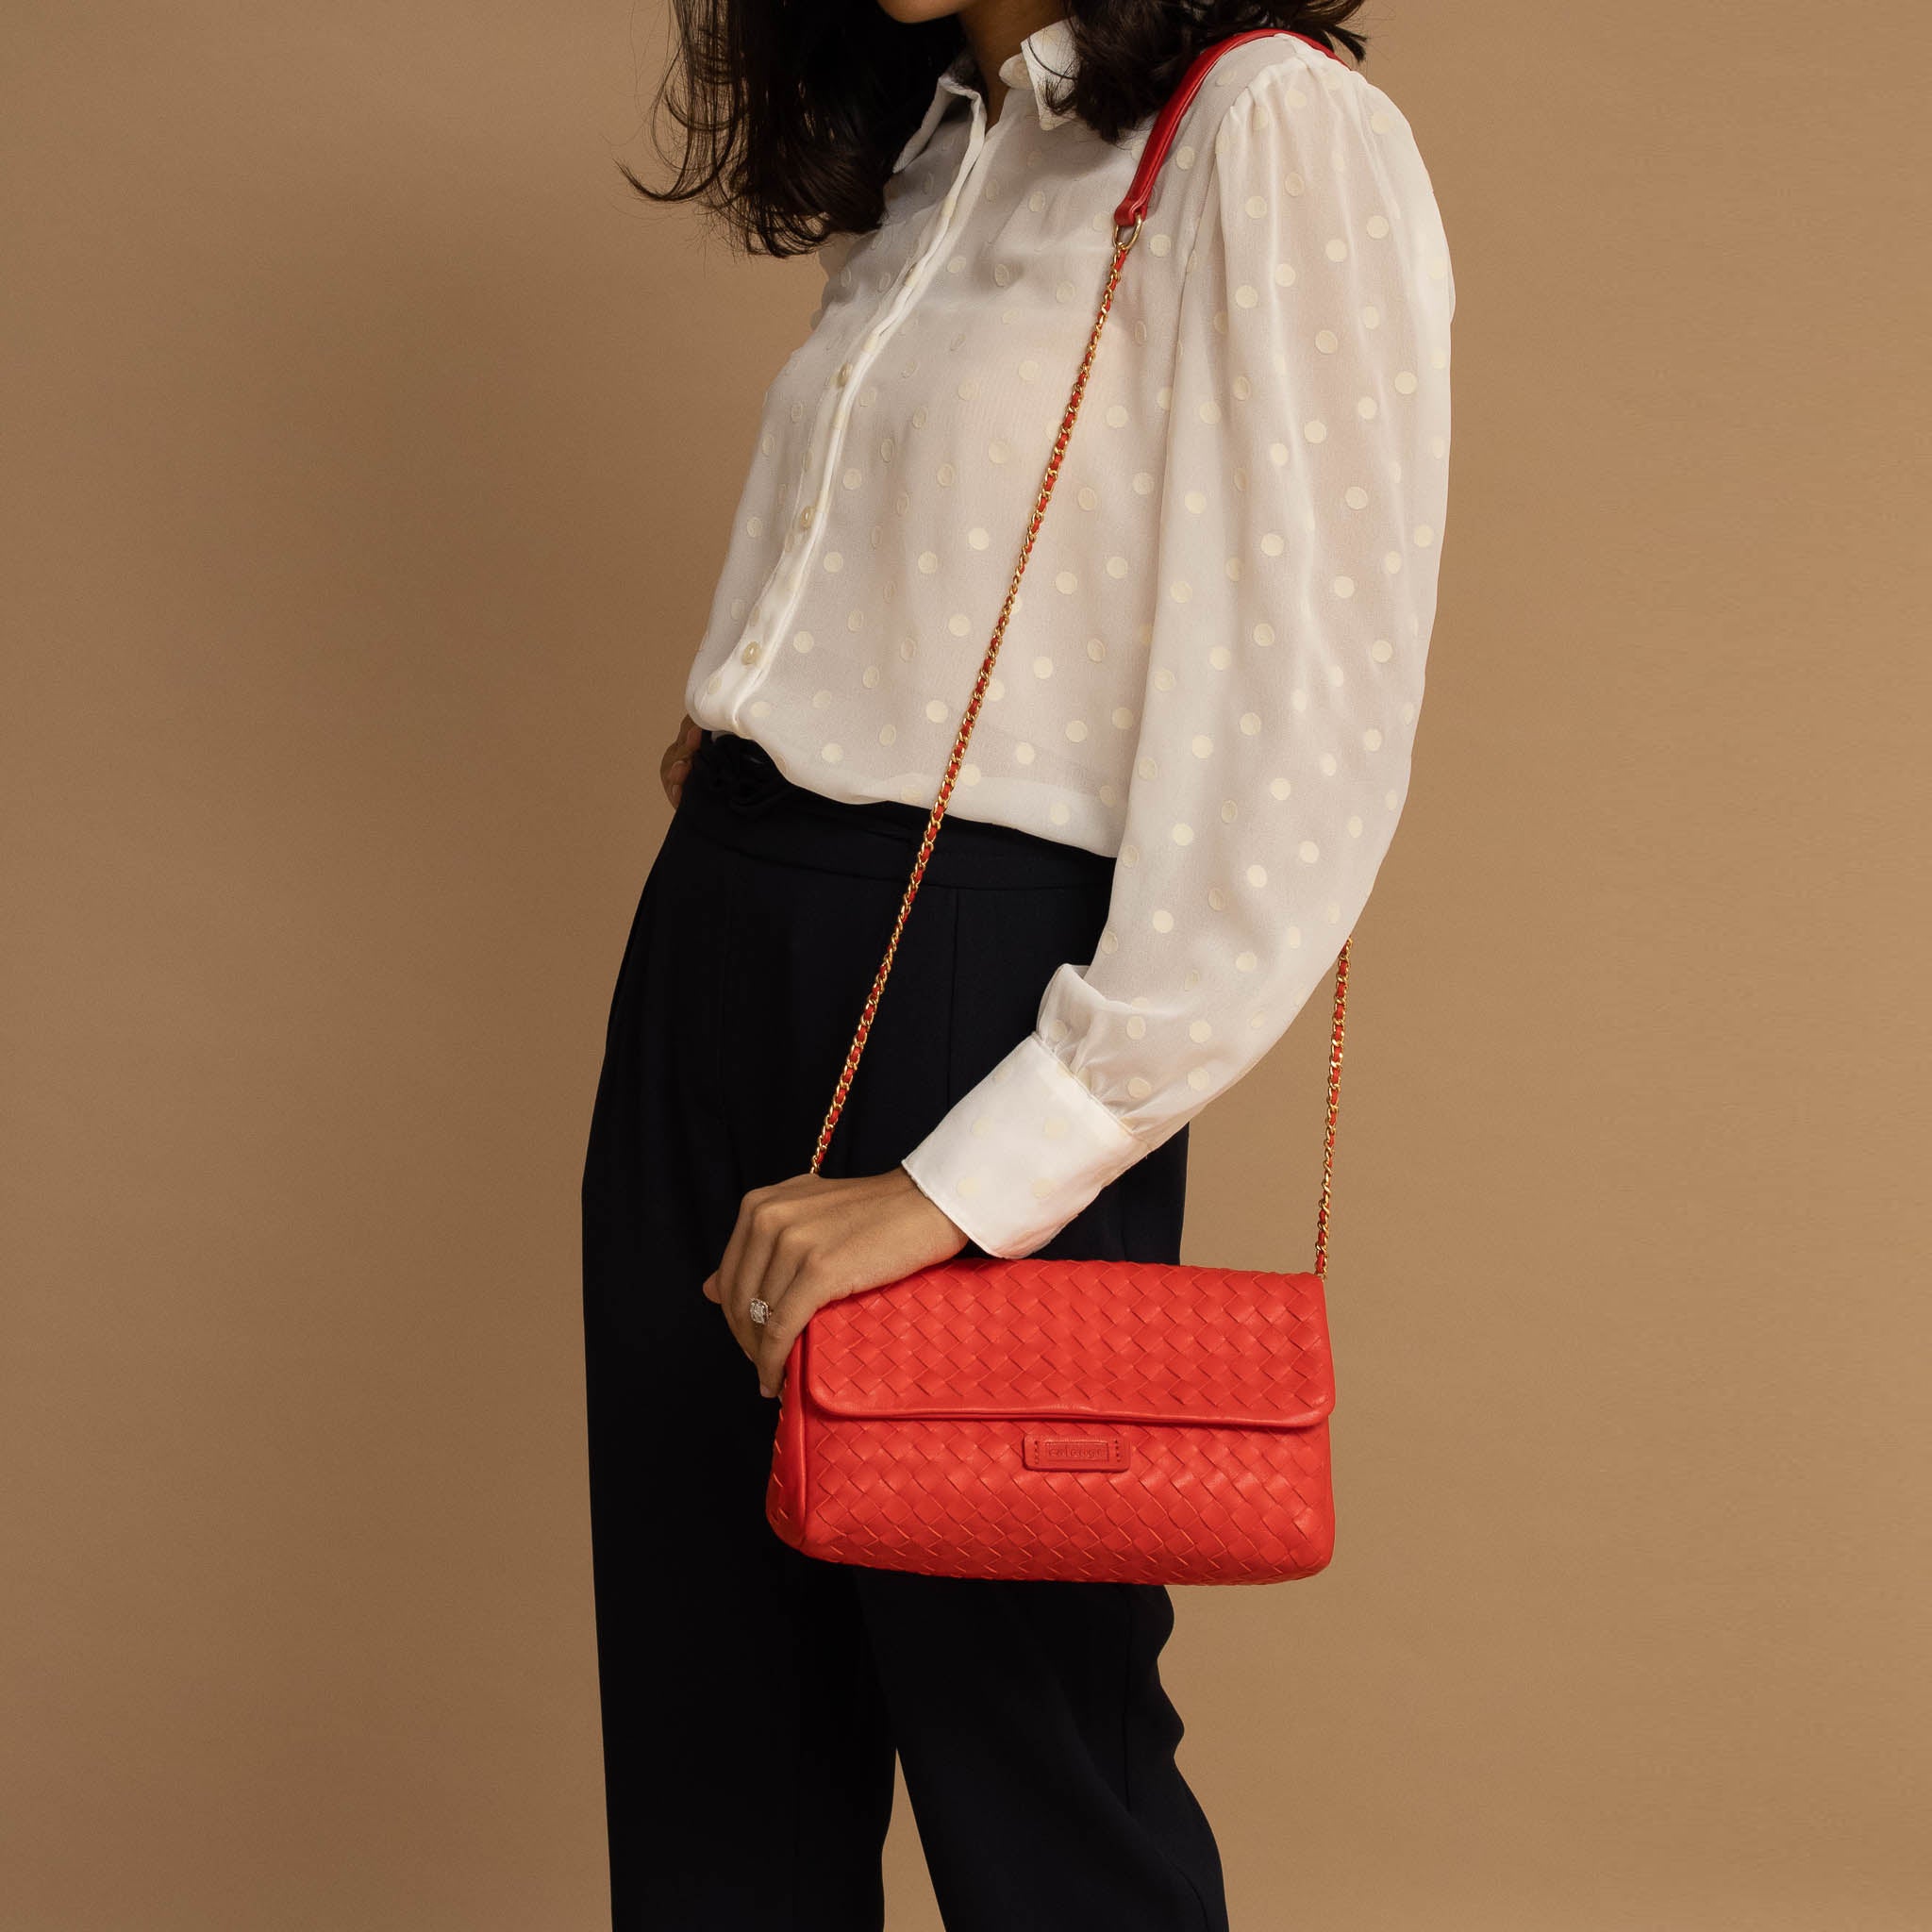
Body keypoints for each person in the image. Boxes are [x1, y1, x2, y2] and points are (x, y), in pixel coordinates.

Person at [580, 1, 1454, 1924]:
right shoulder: (948, 137)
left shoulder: (1263, 129)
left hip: (975, 983)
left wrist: (967, 1177)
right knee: (714, 1748)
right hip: (722, 926)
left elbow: (1302, 757)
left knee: (1027, 1764)